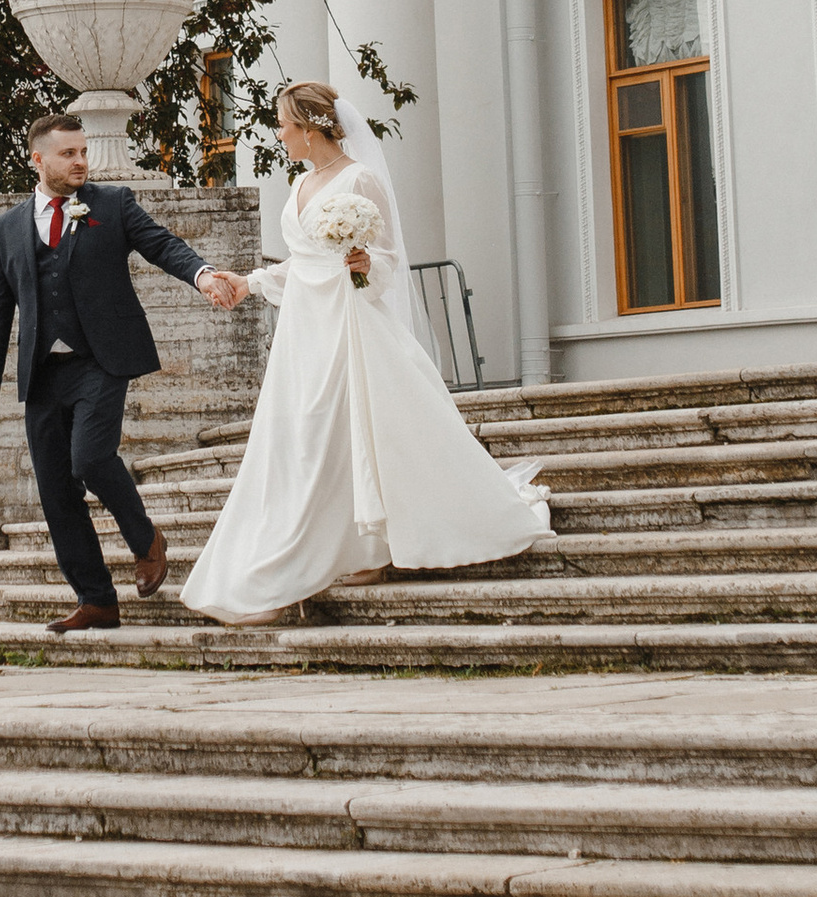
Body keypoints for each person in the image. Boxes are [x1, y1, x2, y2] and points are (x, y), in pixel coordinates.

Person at [183, 78, 549, 625]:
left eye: (284, 124)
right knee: (308, 437)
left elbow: (387, 263)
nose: (278, 134)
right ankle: (349, 545)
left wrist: (365, 266)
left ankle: (358, 548)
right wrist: (252, 281)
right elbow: (304, 264)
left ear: (308, 129)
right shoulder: (301, 182)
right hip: (305, 332)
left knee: (354, 430)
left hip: (350, 324)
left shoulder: (360, 179)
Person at [0, 108, 244, 633]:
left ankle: (146, 540)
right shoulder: (6, 229)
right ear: (39, 159)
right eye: (68, 153)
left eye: (83, 151)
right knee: (55, 489)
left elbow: (162, 244)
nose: (79, 161)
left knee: (91, 457)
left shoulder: (112, 204)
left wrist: (203, 274)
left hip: (101, 360)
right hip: (43, 374)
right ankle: (96, 599)